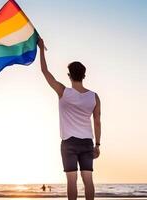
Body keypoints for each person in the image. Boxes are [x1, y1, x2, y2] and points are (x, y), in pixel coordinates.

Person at [37, 37, 101, 200]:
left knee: (71, 182)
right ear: (84, 75)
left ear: (69, 75)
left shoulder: (63, 92)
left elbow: (45, 72)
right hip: (87, 142)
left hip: (69, 143)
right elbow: (97, 121)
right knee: (88, 180)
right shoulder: (94, 97)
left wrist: (41, 49)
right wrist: (98, 144)